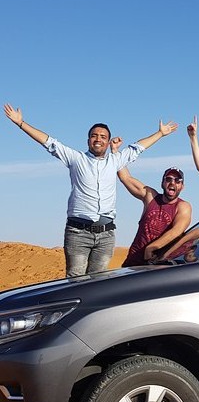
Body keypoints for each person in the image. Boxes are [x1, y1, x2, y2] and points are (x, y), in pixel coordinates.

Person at [3, 102, 178, 276]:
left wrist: (160, 133)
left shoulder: (115, 161)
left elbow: (137, 148)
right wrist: (21, 123)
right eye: (94, 136)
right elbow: (49, 142)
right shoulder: (76, 159)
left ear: (108, 142)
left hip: (106, 235)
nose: (98, 139)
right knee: (76, 281)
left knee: (98, 283)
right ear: (88, 140)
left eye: (103, 137)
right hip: (78, 233)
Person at [119, 166, 192, 266]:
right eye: (168, 179)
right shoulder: (150, 197)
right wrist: (115, 156)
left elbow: (177, 230)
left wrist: (153, 247)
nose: (172, 183)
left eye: (177, 181)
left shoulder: (183, 207)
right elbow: (125, 178)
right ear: (162, 183)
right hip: (133, 263)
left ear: (182, 186)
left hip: (159, 265)